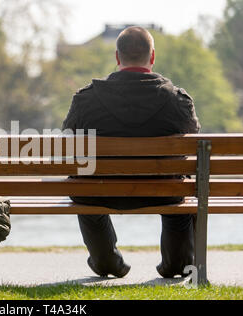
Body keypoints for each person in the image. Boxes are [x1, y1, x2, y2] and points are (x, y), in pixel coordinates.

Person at [62, 26, 201, 279]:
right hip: (163, 192)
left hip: (99, 191)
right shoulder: (177, 100)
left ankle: (106, 262)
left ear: (117, 57)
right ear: (152, 57)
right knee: (181, 187)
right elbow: (194, 134)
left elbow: (66, 142)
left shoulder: (85, 99)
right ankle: (177, 263)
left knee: (83, 186)